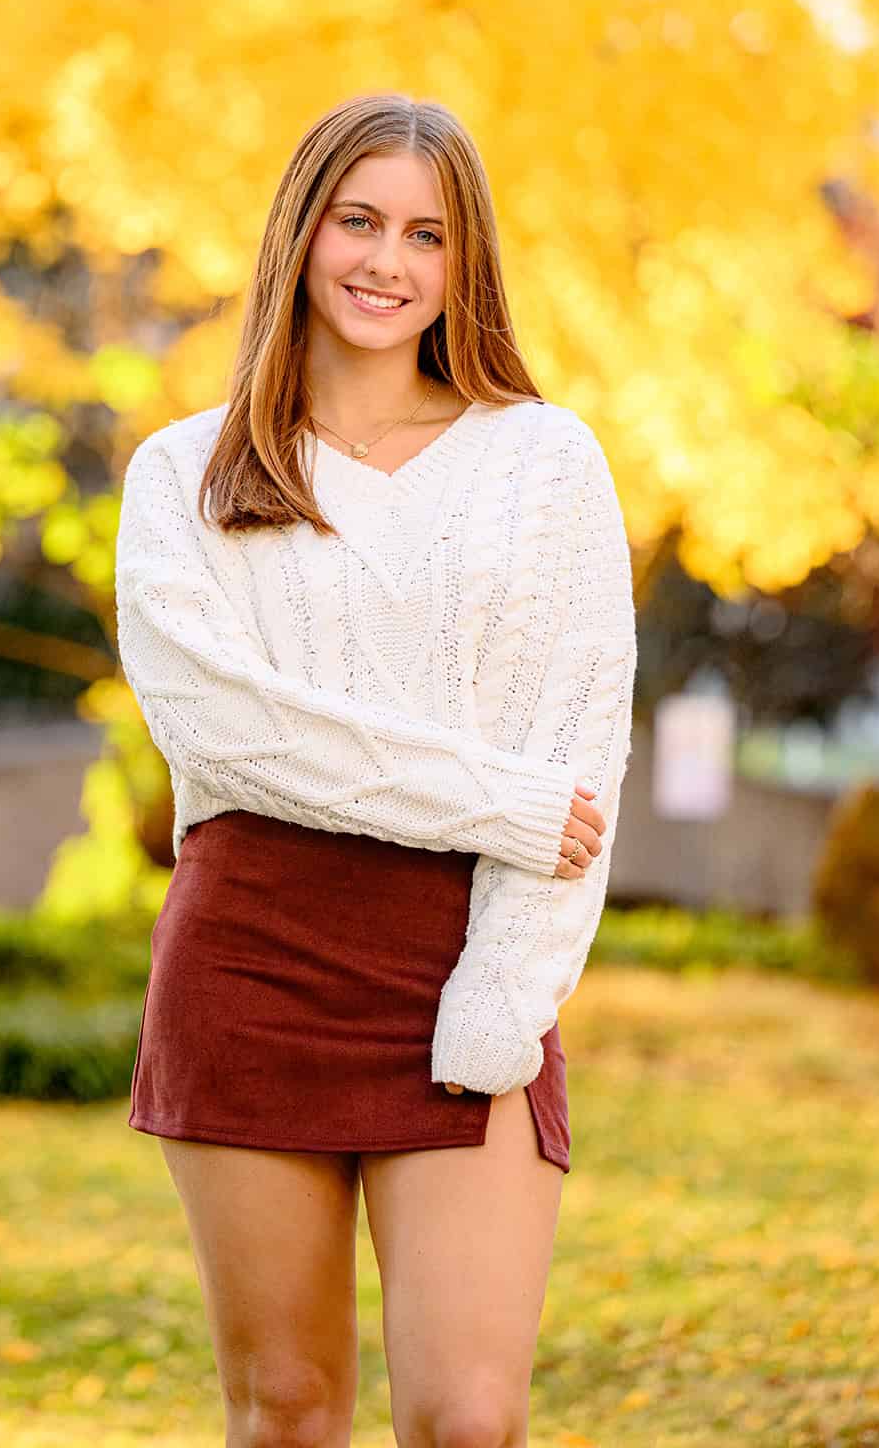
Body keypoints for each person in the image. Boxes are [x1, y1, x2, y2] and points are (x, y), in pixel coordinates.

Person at [114, 91, 638, 1448]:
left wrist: (500, 997)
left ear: (464, 266)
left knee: (467, 1419)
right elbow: (223, 732)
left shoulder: (541, 463)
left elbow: (575, 749)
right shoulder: (186, 471)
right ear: (301, 231)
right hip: (249, 958)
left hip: (469, 948)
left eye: (425, 234)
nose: (384, 262)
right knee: (285, 1415)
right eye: (356, 220)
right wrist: (501, 804)